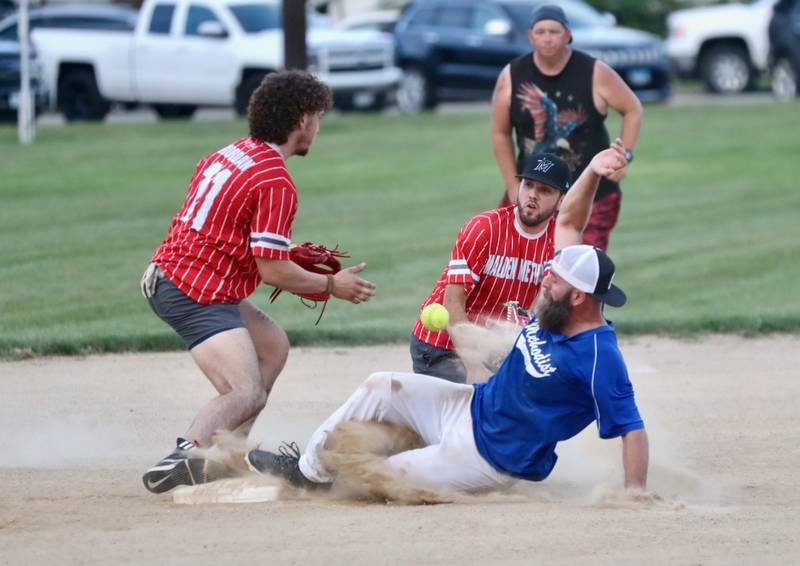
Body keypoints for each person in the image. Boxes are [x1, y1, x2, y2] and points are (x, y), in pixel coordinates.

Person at [245, 239, 649, 495]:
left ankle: (361, 474)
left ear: (579, 297)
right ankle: (307, 472)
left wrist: (635, 496)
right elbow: (526, 363)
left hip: (489, 457)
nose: (545, 281)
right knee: (380, 384)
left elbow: (631, 428)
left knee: (389, 475)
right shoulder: (553, 315)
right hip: (467, 406)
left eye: (556, 279)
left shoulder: (600, 356)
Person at [139, 70, 377, 494]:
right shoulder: (275, 180)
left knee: (272, 346)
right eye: (317, 118)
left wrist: (287, 251)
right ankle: (189, 456)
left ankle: (227, 454)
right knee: (246, 391)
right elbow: (272, 271)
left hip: (185, 275)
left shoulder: (231, 153)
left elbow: (224, 229)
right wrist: (330, 286)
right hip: (191, 290)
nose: (317, 128)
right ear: (302, 120)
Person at [411, 143, 625, 383]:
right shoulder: (484, 228)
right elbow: (453, 299)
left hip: (497, 349)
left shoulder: (556, 243)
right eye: (528, 185)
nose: (533, 194)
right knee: (465, 413)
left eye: (545, 190)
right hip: (440, 345)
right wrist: (474, 369)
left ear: (561, 200)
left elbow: (542, 308)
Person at [491, 4, 643, 252]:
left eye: (554, 31)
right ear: (530, 36)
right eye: (540, 32)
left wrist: (623, 155)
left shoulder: (594, 72)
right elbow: (500, 132)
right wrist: (512, 186)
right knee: (503, 261)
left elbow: (633, 109)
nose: (547, 38)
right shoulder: (513, 75)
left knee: (579, 276)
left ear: (568, 35)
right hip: (533, 194)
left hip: (591, 196)